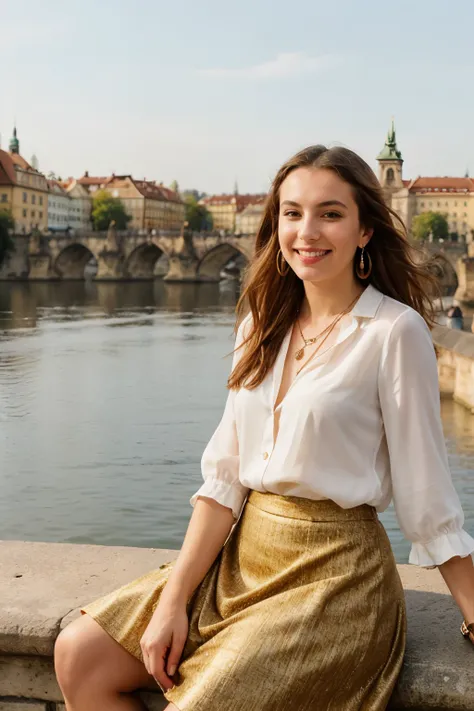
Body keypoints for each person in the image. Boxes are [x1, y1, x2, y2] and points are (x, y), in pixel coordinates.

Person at [54, 145, 474, 711]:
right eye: (292, 212)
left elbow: (426, 496)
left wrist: (472, 611)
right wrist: (174, 597)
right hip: (243, 556)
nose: (307, 230)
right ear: (275, 223)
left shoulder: (394, 332)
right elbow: (225, 478)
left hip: (335, 577)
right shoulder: (261, 321)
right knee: (79, 655)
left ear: (365, 229)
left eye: (330, 213)